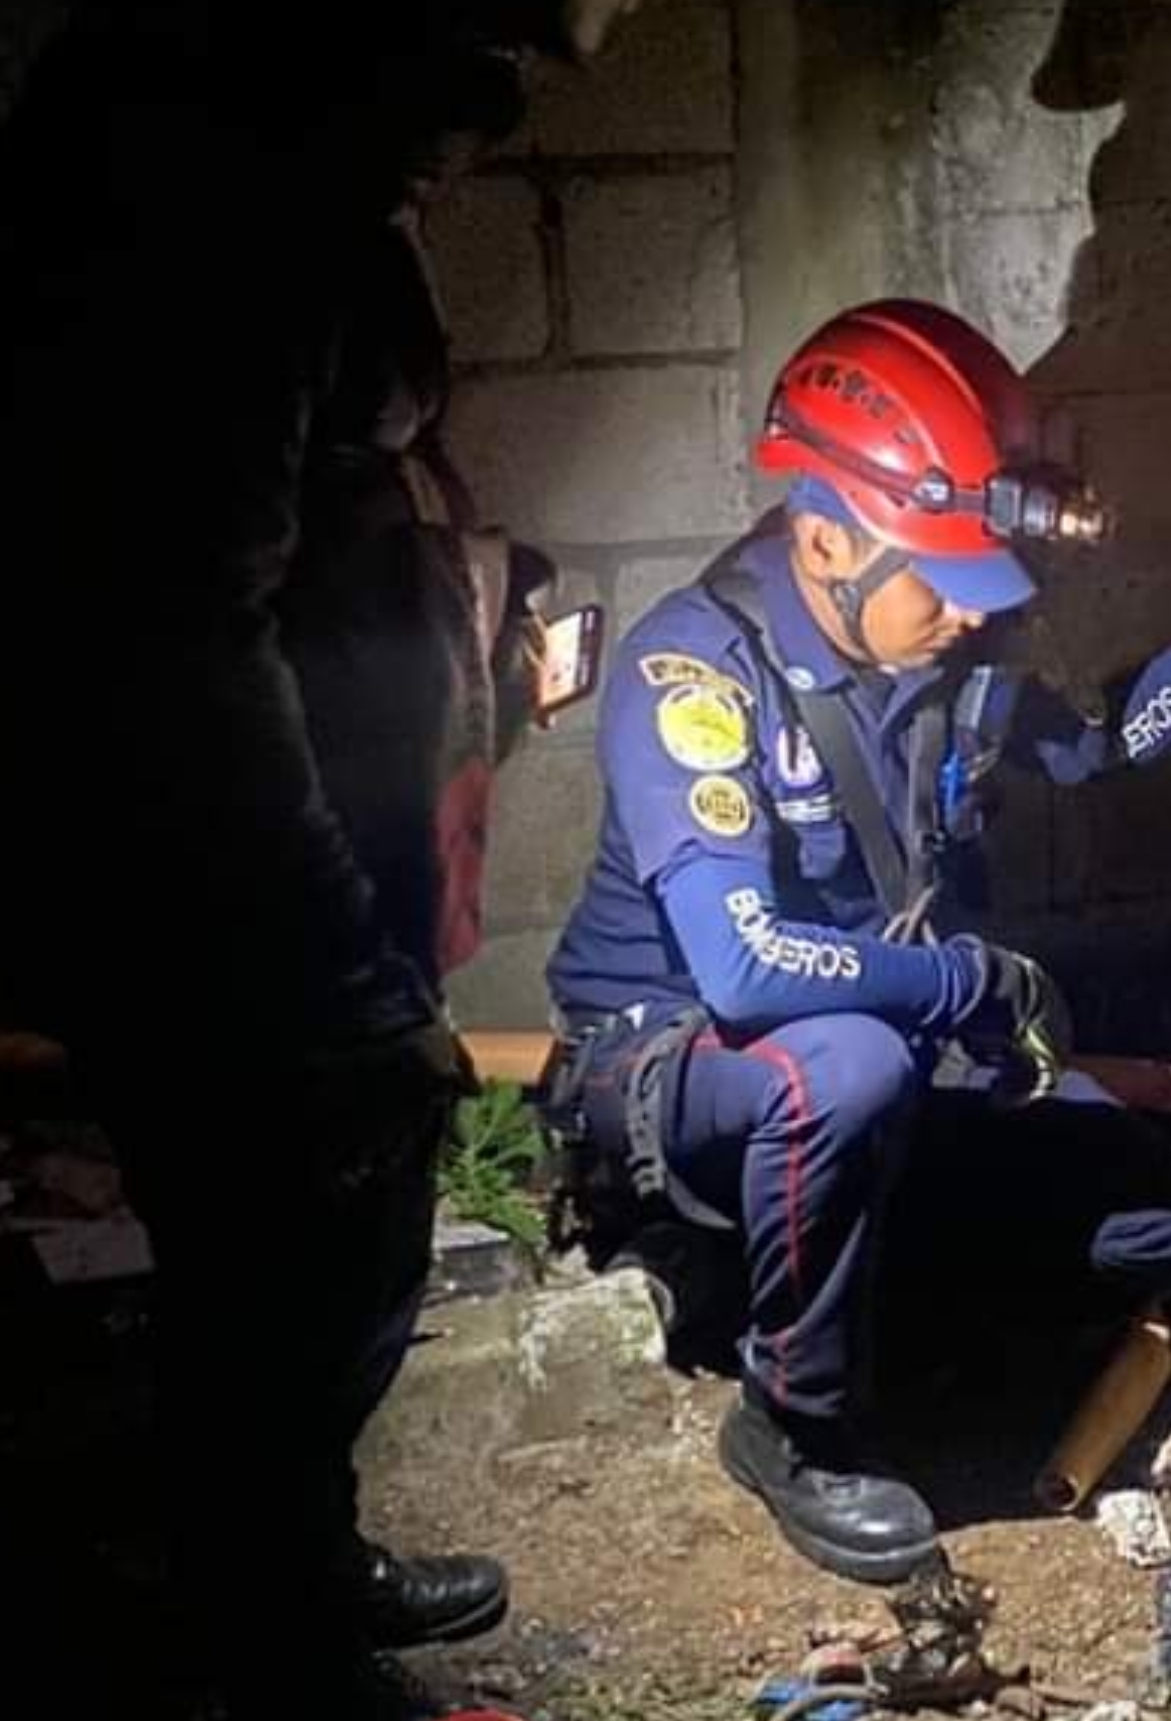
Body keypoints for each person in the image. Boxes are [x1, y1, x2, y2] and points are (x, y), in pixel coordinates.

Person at [0, 5, 642, 1717]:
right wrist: (336, 980)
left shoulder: (280, 166)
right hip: (232, 910)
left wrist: (475, 621)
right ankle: (269, 1641)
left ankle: (285, 1569)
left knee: (289, 1256)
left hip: (305, 870)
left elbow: (303, 531)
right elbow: (174, 633)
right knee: (293, 1258)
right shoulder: (210, 186)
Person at [541, 298, 1171, 1582]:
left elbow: (1095, 745)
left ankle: (825, 1286)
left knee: (1155, 1222)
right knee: (845, 1067)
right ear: (824, 539)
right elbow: (745, 968)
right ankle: (792, 1422)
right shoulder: (693, 676)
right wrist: (969, 979)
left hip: (887, 1048)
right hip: (680, 1060)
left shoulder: (951, 660)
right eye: (943, 579)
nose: (970, 615)